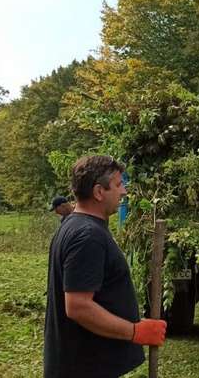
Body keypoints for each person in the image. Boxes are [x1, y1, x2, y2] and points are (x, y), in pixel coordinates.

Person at [44, 155, 167, 378]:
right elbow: (78, 307)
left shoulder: (75, 225)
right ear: (99, 192)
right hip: (84, 369)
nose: (124, 192)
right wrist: (134, 331)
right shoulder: (88, 236)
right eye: (118, 185)